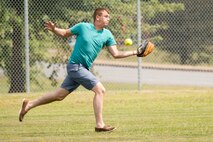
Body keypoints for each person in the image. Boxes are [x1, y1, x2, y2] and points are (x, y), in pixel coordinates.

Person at [19, 8, 150, 132]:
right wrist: (54, 29)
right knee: (100, 90)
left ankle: (29, 104)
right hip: (75, 66)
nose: (108, 19)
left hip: (82, 68)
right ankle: (100, 125)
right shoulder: (83, 27)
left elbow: (115, 54)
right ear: (97, 17)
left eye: (108, 16)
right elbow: (65, 33)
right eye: (105, 16)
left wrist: (135, 52)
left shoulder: (107, 34)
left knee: (59, 96)